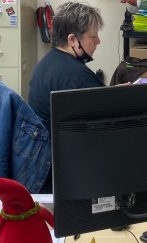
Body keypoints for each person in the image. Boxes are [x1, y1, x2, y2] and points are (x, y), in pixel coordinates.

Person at [28, 1, 105, 192]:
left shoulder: (48, 61)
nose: (98, 42)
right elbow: (105, 124)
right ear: (72, 40)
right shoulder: (78, 76)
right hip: (64, 169)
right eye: (93, 36)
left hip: (42, 161)